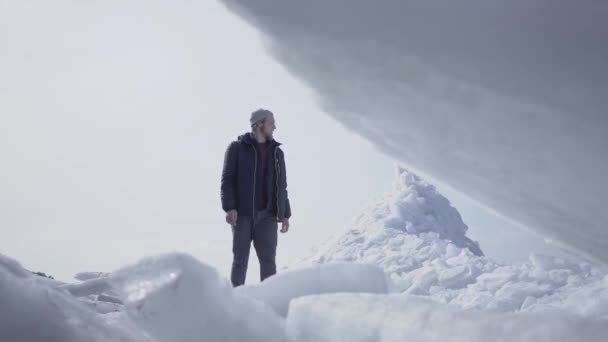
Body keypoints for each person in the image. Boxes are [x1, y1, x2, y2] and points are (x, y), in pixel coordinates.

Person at [221, 109, 292, 287]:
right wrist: (230, 207)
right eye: (271, 123)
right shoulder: (236, 148)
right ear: (259, 124)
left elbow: (282, 185)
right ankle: (234, 303)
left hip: (268, 216)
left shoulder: (277, 153)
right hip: (242, 216)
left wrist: (285, 214)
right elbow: (227, 180)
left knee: (269, 263)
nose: (275, 127)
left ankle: (269, 304)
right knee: (240, 262)